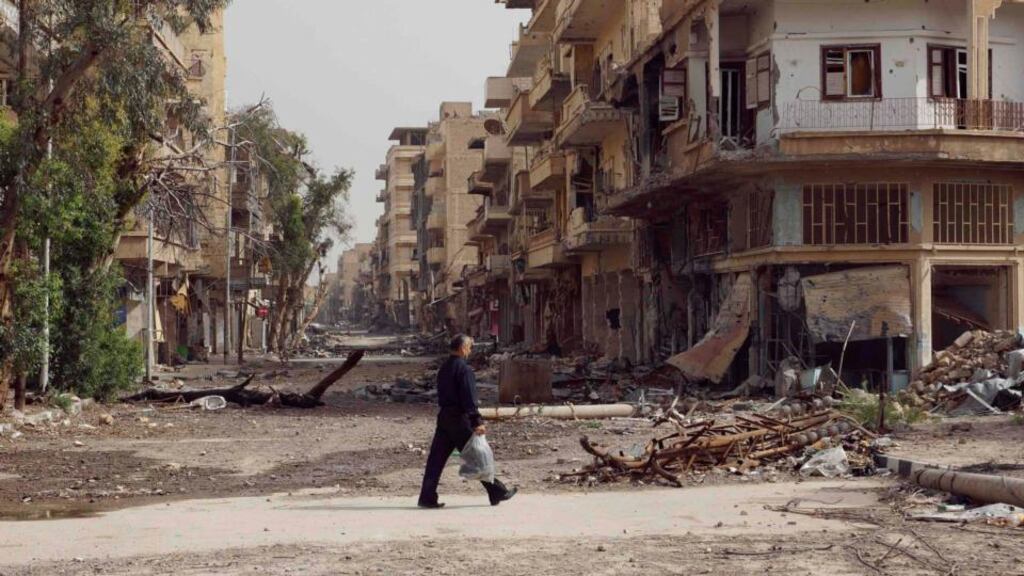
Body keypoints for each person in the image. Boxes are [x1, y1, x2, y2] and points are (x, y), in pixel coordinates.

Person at [418, 334, 517, 509]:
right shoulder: (464, 369)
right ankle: (498, 491)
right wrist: (477, 420)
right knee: (477, 457)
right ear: (463, 348)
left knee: (436, 460)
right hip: (459, 419)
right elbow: (469, 398)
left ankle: (427, 497)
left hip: (444, 418)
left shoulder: (445, 368)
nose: (470, 351)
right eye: (470, 347)